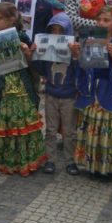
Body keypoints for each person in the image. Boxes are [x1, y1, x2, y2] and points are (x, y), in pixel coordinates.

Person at [0, 2, 47, 176]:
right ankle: (1, 158)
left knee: (22, 120)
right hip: (1, 84)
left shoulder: (22, 36)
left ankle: (24, 158)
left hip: (21, 83)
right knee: (1, 118)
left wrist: (27, 53)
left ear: (11, 20)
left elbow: (31, 64)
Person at [71, 6, 112, 176]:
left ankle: (109, 167)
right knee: (92, 126)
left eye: (106, 20)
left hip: (110, 91)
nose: (102, 23)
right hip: (92, 89)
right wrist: (77, 55)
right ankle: (92, 165)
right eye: (99, 20)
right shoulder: (89, 39)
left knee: (108, 126)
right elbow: (83, 67)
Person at [34, 12, 80, 175]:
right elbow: (41, 70)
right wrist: (35, 55)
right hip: (51, 94)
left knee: (69, 132)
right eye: (53, 30)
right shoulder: (48, 49)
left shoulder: (75, 48)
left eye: (60, 30)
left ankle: (70, 161)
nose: (56, 34)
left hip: (69, 96)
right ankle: (50, 160)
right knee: (51, 130)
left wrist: (75, 56)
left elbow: (81, 73)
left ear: (67, 32)